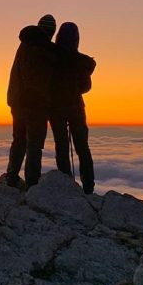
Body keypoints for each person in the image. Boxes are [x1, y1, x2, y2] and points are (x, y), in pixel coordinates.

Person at [5, 14, 57, 188]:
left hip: (17, 101)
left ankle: (11, 177)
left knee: (19, 139)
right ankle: (32, 183)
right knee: (34, 143)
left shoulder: (25, 44)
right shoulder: (41, 48)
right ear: (50, 32)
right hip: (34, 104)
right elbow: (38, 78)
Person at [49, 21, 96, 193]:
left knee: (61, 146)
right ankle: (89, 188)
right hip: (76, 107)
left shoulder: (51, 57)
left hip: (55, 108)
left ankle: (66, 186)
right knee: (82, 147)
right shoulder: (81, 62)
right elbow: (86, 87)